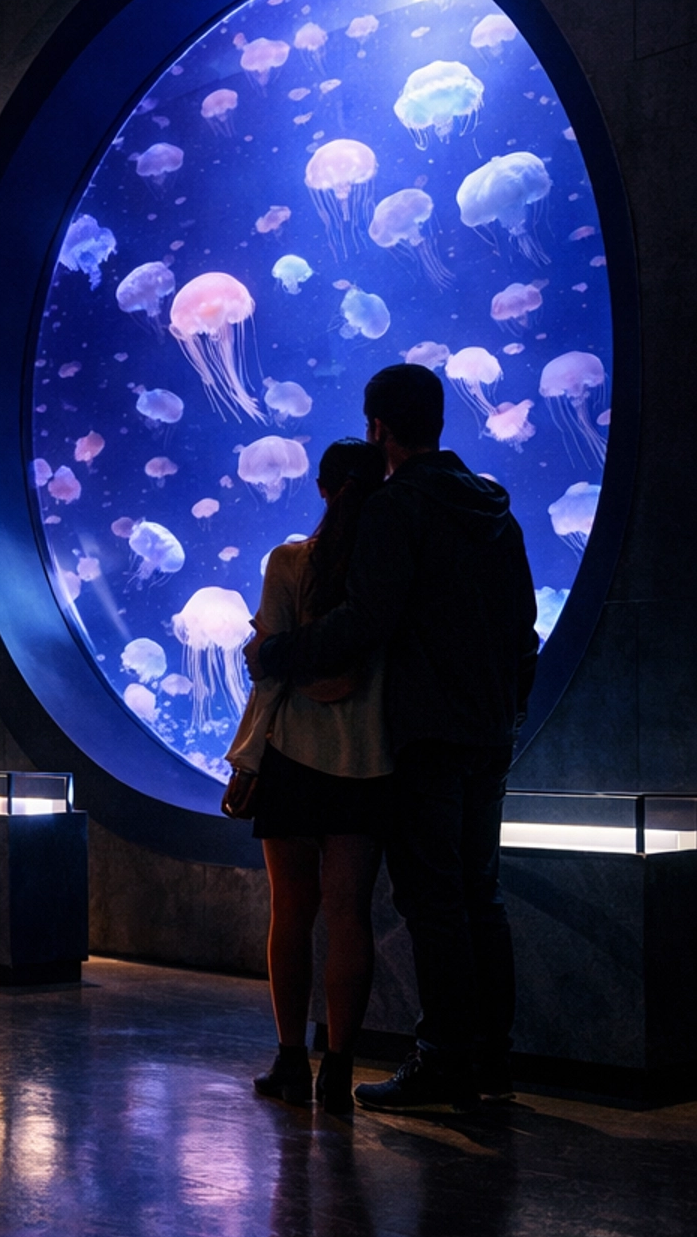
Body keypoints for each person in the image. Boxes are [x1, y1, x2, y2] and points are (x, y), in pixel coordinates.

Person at [252, 362, 539, 1112]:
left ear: (378, 428)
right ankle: (491, 1059)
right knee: (481, 893)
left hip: (422, 730)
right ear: (440, 422)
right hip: (488, 729)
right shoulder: (495, 510)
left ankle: (444, 1058)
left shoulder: (397, 507)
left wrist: (282, 654)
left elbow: (368, 621)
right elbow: (525, 629)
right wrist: (508, 710)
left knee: (433, 898)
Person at [225, 440, 390, 1115]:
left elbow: (266, 664)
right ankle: (339, 1068)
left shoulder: (289, 562)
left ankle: (291, 1059)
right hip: (370, 758)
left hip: (293, 756)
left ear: (321, 489)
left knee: (291, 911)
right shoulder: (393, 571)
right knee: (351, 913)